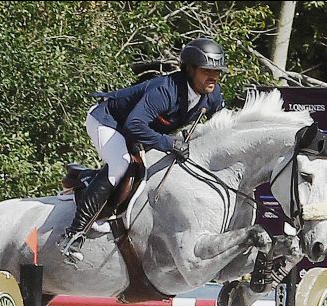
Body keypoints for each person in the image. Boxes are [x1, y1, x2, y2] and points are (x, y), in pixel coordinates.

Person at [59, 37, 228, 263]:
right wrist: (169, 143)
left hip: (141, 128)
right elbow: (133, 126)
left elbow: (222, 123)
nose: (214, 77)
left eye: (217, 72)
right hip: (109, 121)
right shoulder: (165, 90)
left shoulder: (212, 94)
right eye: (207, 71)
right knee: (121, 165)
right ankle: (74, 234)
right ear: (191, 69)